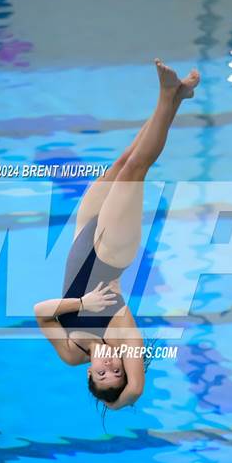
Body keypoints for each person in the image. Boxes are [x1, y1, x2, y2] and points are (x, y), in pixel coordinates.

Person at [34, 59, 200, 410]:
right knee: (136, 170)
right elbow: (134, 393)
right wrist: (118, 401)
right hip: (111, 252)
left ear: (89, 374)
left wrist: (81, 305)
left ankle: (176, 98)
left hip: (82, 237)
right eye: (117, 374)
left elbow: (41, 312)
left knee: (123, 161)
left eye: (101, 375)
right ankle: (167, 94)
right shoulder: (126, 341)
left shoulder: (71, 353)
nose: (109, 368)